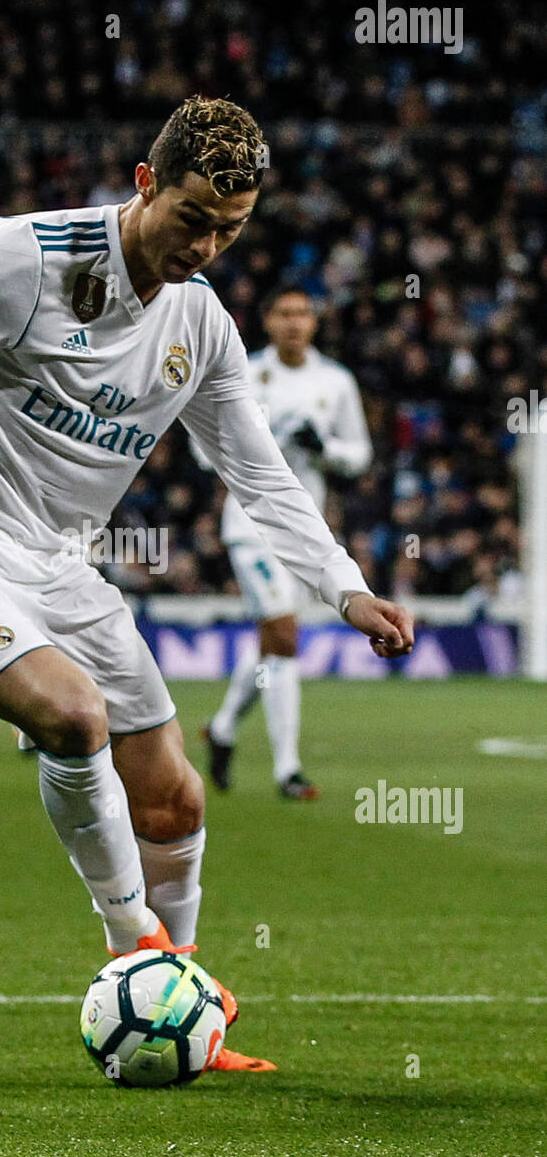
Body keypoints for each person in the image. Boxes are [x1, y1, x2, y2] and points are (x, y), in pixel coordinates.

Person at [0, 96, 414, 1074]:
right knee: (74, 718)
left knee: (173, 801)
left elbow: (256, 476)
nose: (206, 245)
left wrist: (344, 588)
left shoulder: (201, 329)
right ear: (142, 185)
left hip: (56, 570)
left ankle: (188, 1017)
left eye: (230, 228)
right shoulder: (20, 261)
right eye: (192, 218)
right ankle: (138, 952)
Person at [204, 288, 373, 796]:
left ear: (314, 323)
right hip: (251, 526)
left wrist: (327, 449)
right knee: (284, 632)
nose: (294, 322)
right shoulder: (244, 374)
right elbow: (201, 444)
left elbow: (359, 454)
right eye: (284, 312)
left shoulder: (336, 382)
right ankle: (287, 770)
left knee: (272, 643)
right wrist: (264, 443)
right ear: (268, 321)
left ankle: (222, 728)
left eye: (303, 313)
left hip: (305, 531)